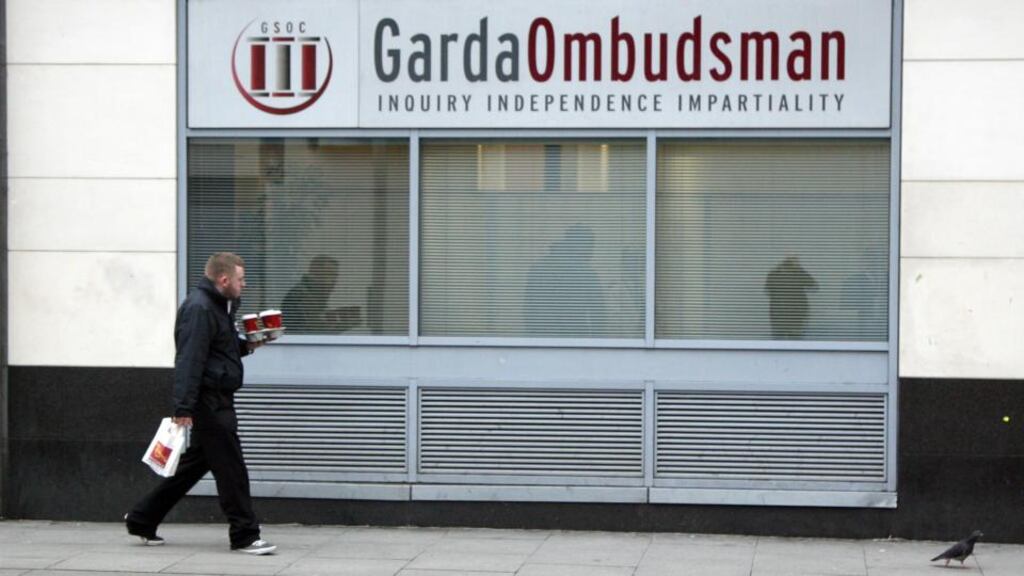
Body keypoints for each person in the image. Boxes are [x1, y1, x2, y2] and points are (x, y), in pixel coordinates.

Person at [125, 252, 277, 555]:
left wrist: (248, 344)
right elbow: (189, 360)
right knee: (231, 468)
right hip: (209, 401)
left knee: (194, 466)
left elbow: (218, 350)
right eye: (240, 279)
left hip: (217, 396)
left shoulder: (218, 306)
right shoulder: (200, 308)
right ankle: (245, 535)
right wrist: (183, 408)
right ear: (223, 280)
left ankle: (143, 518)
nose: (244, 285)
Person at [282, 255, 361, 333]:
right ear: (314, 272)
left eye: (335, 275)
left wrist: (337, 315)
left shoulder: (316, 294)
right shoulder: (302, 295)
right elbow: (314, 332)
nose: (333, 280)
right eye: (329, 274)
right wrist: (344, 325)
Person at [764, 255, 819, 340]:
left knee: (783, 337)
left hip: (783, 311)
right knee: (791, 337)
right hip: (790, 311)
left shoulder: (775, 274)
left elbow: (814, 286)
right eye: (796, 263)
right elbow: (814, 285)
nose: (798, 264)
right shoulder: (797, 273)